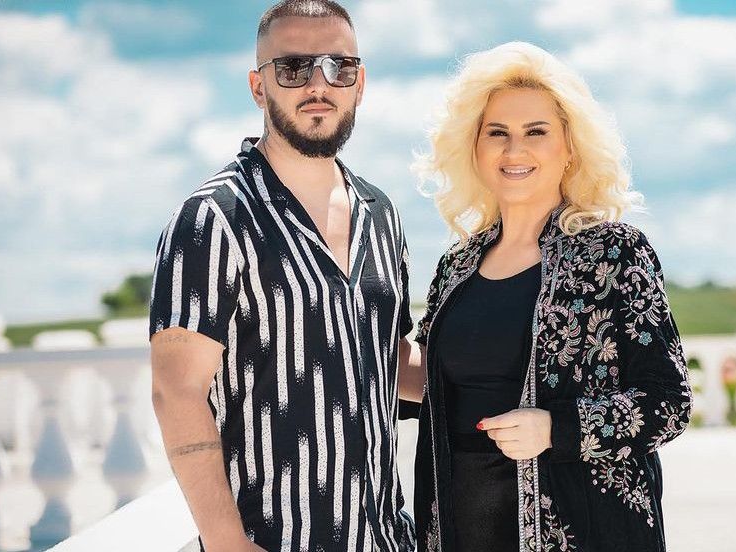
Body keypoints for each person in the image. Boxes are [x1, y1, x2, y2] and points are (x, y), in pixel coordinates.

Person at [400, 42, 692, 551]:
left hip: (585, 532)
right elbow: (433, 385)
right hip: (458, 530)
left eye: (536, 132)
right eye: (497, 133)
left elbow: (668, 403)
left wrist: (556, 428)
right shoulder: (456, 266)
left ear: (570, 147)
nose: (515, 150)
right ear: (475, 147)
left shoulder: (614, 253)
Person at [149, 2, 415, 551]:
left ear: (360, 83)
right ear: (258, 87)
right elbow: (177, 392)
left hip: (387, 538)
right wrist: (226, 543)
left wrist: (508, 375)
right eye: (293, 67)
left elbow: (390, 356)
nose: (319, 84)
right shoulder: (213, 217)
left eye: (339, 67)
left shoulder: (382, 213)